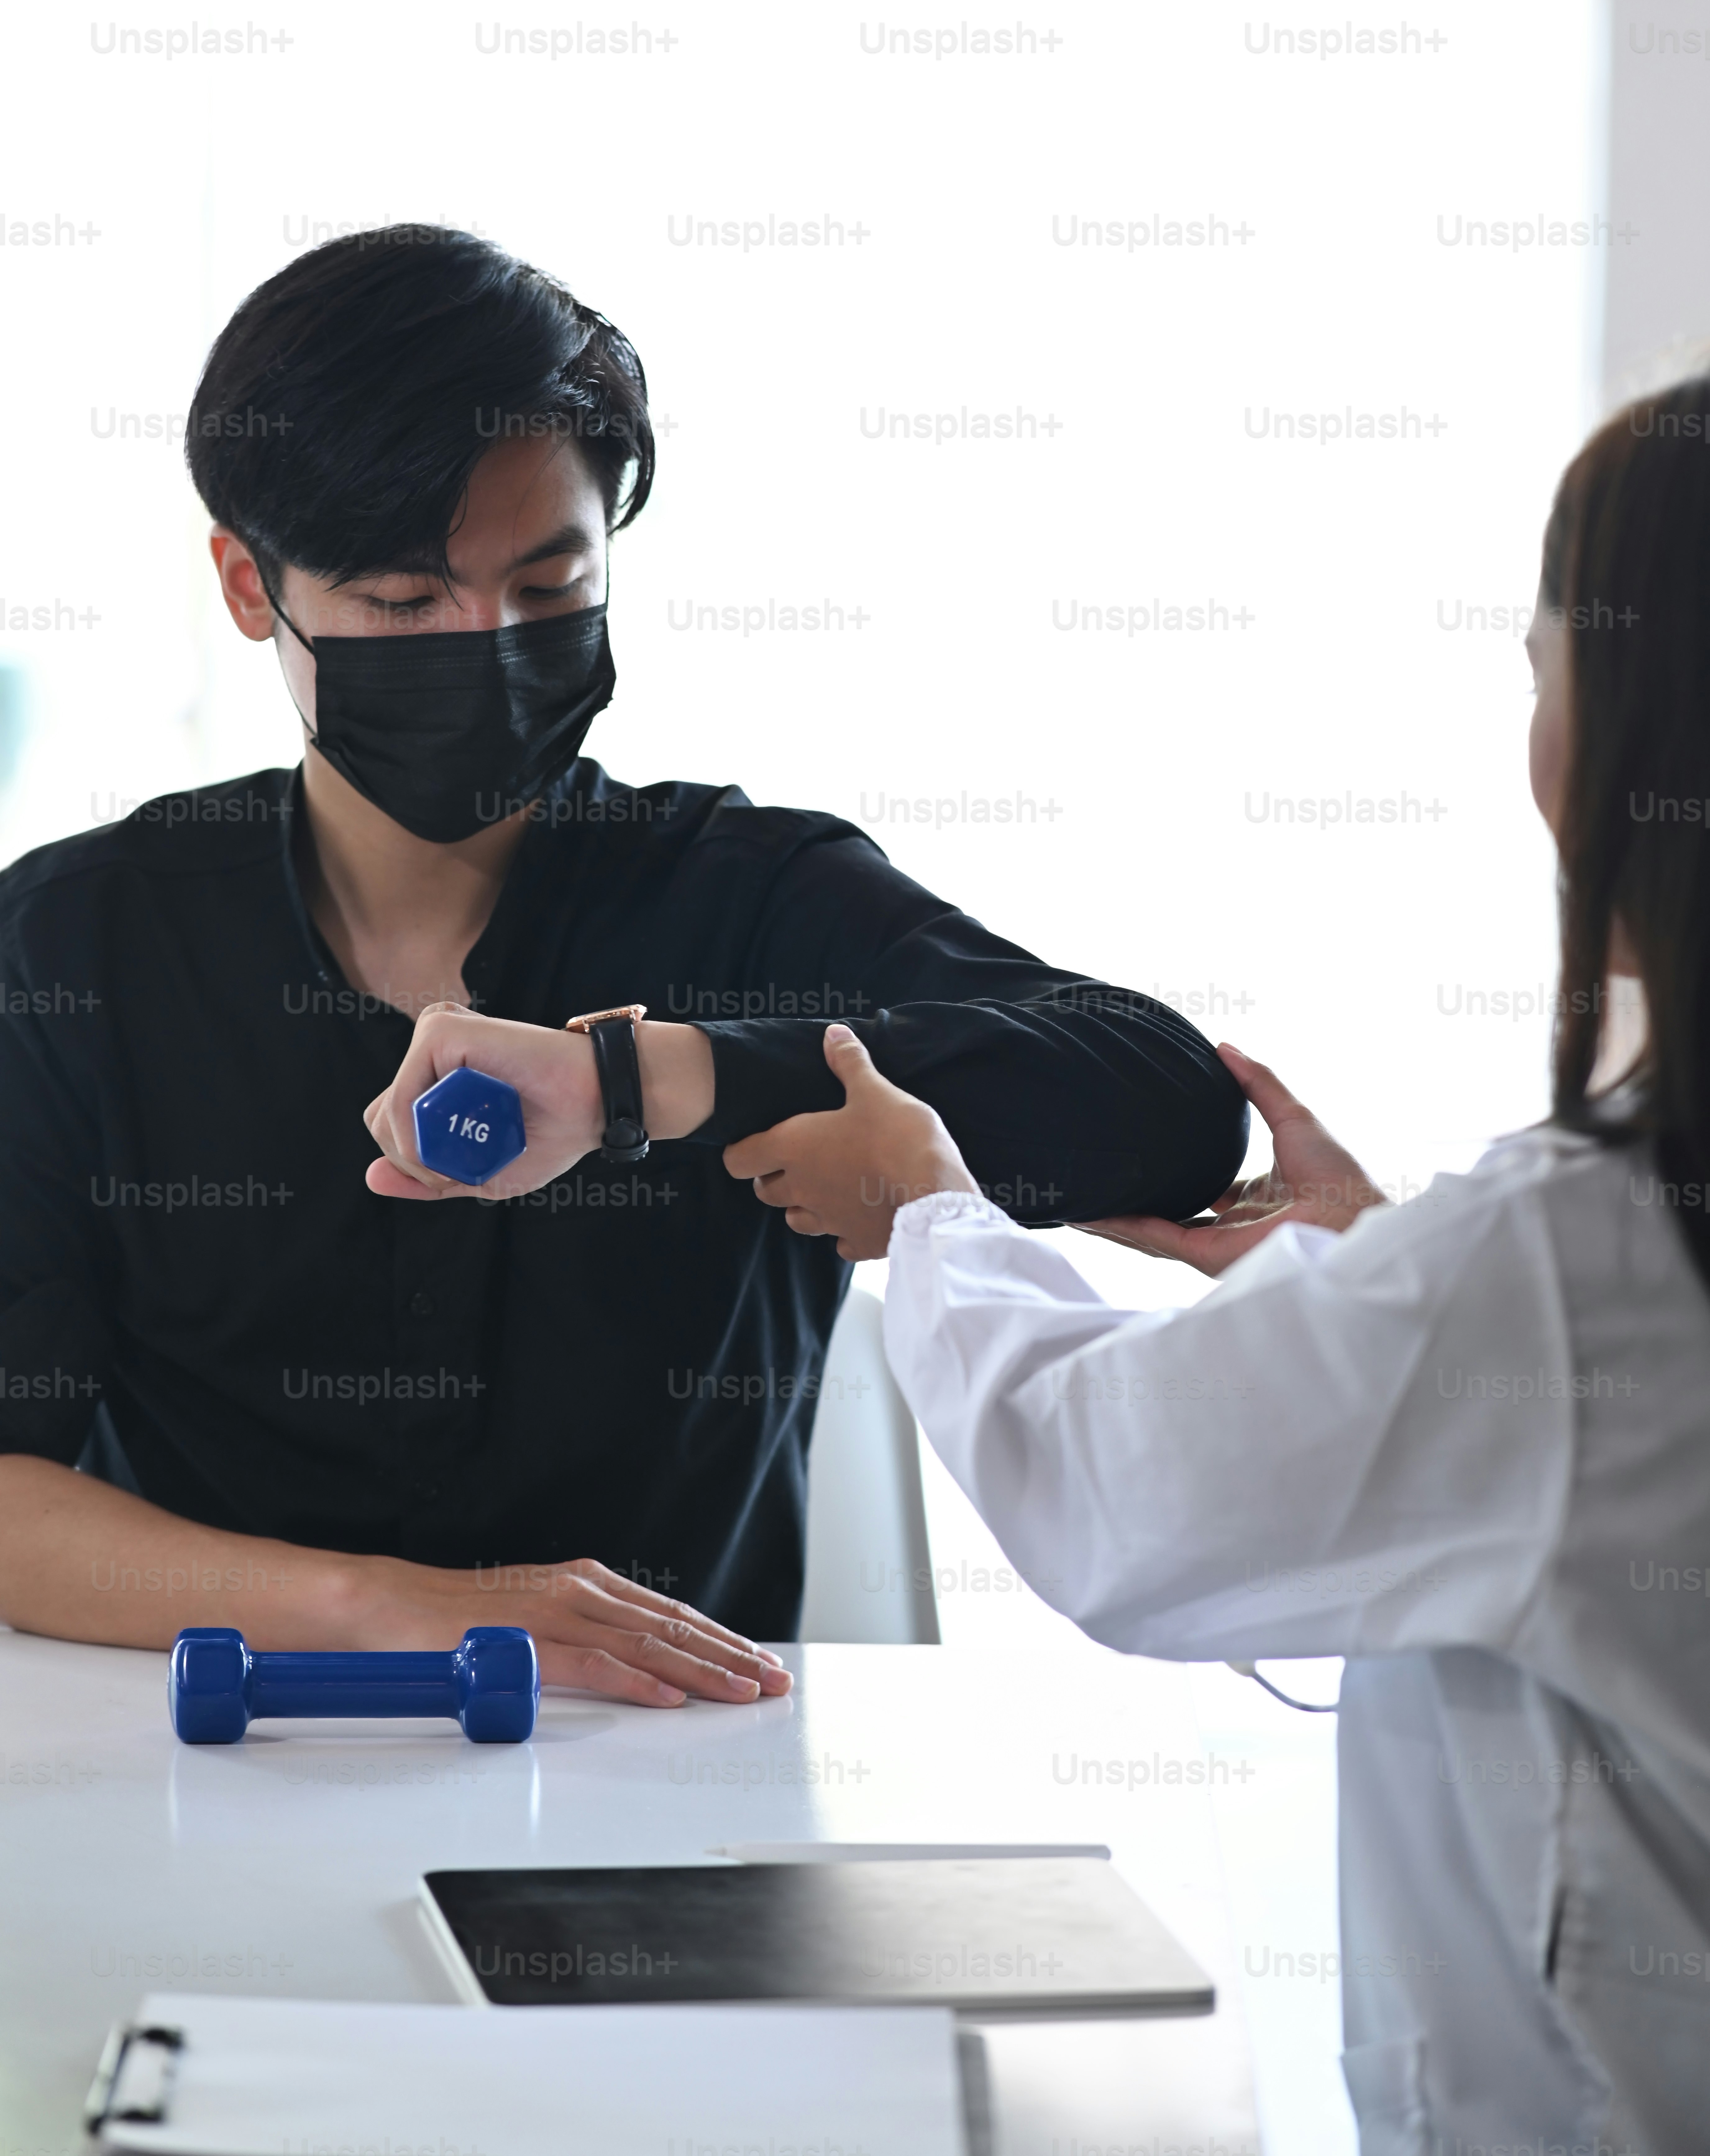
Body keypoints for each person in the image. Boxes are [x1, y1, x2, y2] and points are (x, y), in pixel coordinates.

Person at [393, 383, 1710, 2145]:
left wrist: (904, 1195)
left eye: (1546, 670)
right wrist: (1393, 1290)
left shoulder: (1579, 1253)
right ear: (256, 587)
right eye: (411, 605)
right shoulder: (1570, 1268)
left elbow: (1115, 1459)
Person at [0, 226, 1246, 1702]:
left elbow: (1164, 1104)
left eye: (545, 589)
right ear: (246, 584)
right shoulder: (74, 949)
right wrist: (398, 1610)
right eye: (404, 605)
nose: (487, 645)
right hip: (207, 1753)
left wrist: (648, 1081)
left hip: (677, 1797)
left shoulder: (750, 898)